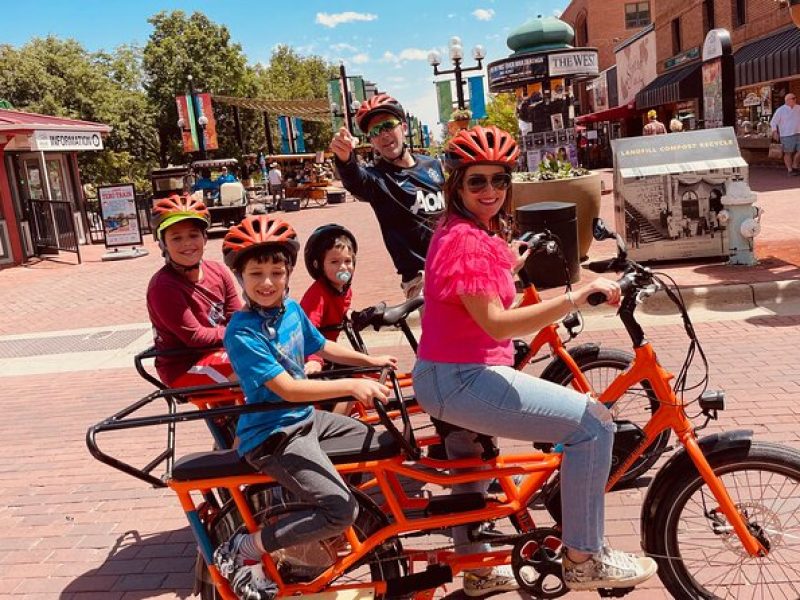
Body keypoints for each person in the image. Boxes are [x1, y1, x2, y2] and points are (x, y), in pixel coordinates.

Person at [412, 125, 657, 594]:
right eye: (476, 181)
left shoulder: (468, 231)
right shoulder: (466, 239)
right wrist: (577, 294)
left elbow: (473, 289)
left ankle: (477, 569)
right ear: (456, 185)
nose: (490, 191)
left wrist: (508, 264)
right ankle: (585, 557)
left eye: (499, 180)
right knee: (593, 424)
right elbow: (500, 325)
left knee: (473, 469)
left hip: (449, 374)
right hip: (461, 378)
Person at [213, 215, 396, 600]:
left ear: (289, 272)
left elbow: (322, 346)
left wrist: (371, 361)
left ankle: (331, 521)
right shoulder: (242, 331)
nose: (267, 282)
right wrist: (351, 383)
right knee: (339, 510)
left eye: (276, 272)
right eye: (256, 273)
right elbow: (287, 389)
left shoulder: (292, 310)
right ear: (240, 278)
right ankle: (248, 547)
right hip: (273, 434)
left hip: (305, 421)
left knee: (374, 440)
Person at [330, 93, 445, 300]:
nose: (383, 135)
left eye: (388, 126)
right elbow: (355, 180)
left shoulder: (432, 166)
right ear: (371, 140)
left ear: (404, 127)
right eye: (375, 131)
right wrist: (345, 159)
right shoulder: (377, 179)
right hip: (423, 277)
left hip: (456, 263)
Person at [146, 193, 242, 387]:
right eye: (176, 238)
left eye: (193, 235)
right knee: (253, 369)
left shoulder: (218, 271)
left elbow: (236, 315)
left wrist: (245, 328)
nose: (187, 243)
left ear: (205, 238)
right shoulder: (163, 286)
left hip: (221, 352)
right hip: (183, 366)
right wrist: (241, 330)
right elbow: (196, 337)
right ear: (163, 244)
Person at [300, 224, 357, 377]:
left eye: (347, 261)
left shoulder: (344, 289)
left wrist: (348, 313)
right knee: (349, 386)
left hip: (328, 352)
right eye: (334, 262)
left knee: (360, 375)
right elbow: (309, 331)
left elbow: (342, 307)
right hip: (310, 355)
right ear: (318, 265)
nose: (343, 267)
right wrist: (314, 361)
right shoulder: (318, 294)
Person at [770, 92, 800, 175]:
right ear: (787, 100)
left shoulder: (798, 108)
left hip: (798, 133)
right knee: (788, 153)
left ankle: (794, 165)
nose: (795, 99)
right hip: (786, 134)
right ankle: (790, 170)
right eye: (793, 98)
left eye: (795, 98)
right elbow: (773, 122)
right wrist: (774, 131)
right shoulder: (780, 110)